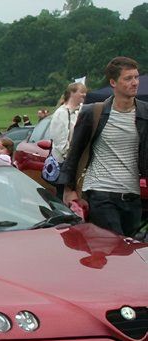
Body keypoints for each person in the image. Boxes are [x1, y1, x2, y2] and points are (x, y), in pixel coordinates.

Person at [63, 56, 147, 238]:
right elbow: (74, 153)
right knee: (114, 245)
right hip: (101, 193)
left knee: (129, 253)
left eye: (136, 77)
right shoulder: (94, 112)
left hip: (132, 195)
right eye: (128, 78)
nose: (134, 83)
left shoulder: (144, 113)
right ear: (113, 82)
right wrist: (69, 190)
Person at [44, 82, 87, 194]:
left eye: (85, 92)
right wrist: (71, 158)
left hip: (79, 163)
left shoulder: (82, 111)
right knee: (64, 195)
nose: (84, 94)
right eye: (81, 92)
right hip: (64, 163)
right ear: (72, 93)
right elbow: (59, 142)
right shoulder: (61, 113)